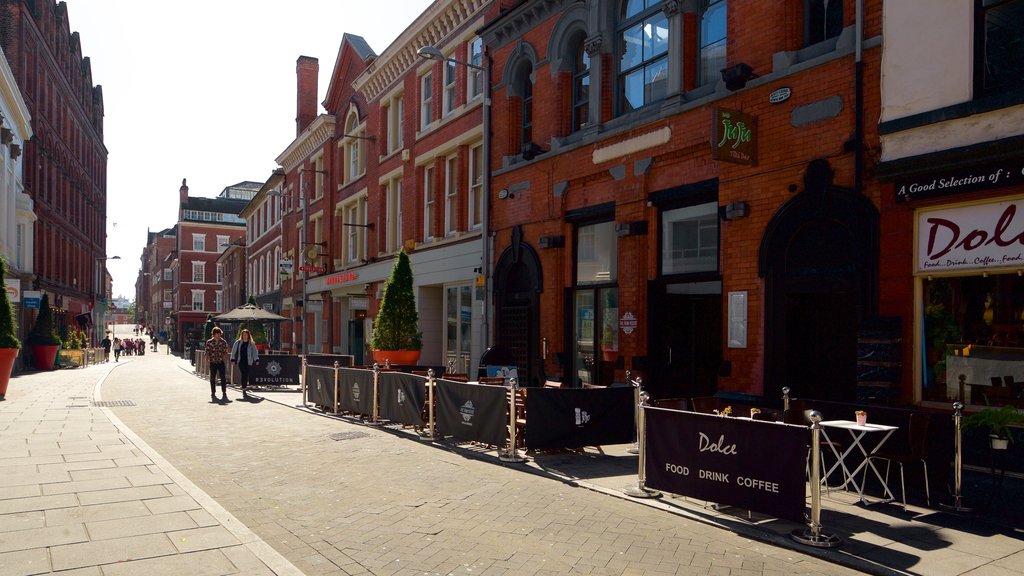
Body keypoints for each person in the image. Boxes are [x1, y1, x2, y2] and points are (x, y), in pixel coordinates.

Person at [230, 329, 260, 399]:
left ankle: (244, 386)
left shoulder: (251, 343)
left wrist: (256, 359)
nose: (245, 336)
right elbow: (233, 351)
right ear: (242, 335)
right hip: (241, 361)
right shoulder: (238, 342)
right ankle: (244, 387)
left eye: (246, 335)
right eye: (243, 335)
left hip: (248, 361)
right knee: (243, 373)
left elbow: (255, 352)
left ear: (248, 335)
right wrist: (232, 359)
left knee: (246, 373)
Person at [206, 326, 230, 403]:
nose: (218, 335)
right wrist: (207, 360)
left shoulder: (223, 342)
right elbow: (207, 352)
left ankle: (224, 392)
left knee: (223, 377)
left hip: (220, 362)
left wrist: (225, 360)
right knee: (212, 378)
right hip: (213, 362)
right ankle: (213, 392)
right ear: (213, 334)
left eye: (219, 333)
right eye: (216, 334)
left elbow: (225, 352)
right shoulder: (209, 342)